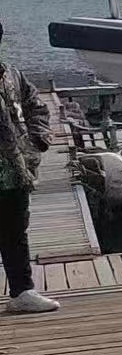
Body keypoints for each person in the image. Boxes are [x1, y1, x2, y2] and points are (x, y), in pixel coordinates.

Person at [1, 23, 59, 315]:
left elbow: (37, 106)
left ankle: (22, 291)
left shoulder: (11, 74)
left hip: (14, 171)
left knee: (15, 231)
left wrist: (36, 141)